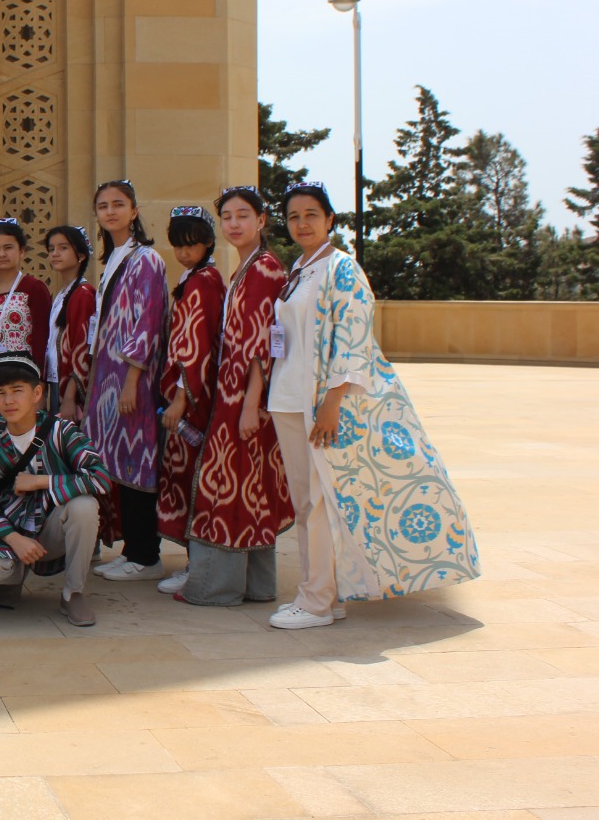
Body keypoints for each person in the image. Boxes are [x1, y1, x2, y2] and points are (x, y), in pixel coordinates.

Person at [266, 182, 479, 629]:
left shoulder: (342, 269)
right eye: (294, 217)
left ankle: (317, 601)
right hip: (286, 397)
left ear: (329, 221)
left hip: (318, 403)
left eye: (311, 215)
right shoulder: (299, 270)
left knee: (322, 500)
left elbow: (354, 337)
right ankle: (323, 592)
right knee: (306, 502)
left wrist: (332, 402)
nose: (302, 223)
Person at [177, 187, 293, 608]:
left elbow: (264, 341)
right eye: (227, 217)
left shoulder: (263, 269)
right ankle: (256, 585)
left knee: (226, 484)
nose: (234, 224)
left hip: (244, 395)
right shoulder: (247, 268)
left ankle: (216, 587)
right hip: (236, 389)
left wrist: (249, 404)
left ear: (261, 221)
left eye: (243, 215)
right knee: (248, 484)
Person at [0, 351, 109, 626]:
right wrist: (11, 537)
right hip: (6, 533)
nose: (9, 401)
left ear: (37, 393)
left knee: (84, 506)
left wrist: (42, 481)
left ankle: (73, 593)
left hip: (48, 533)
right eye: (1, 393)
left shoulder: (61, 431)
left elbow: (100, 477)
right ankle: (13, 578)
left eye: (17, 391)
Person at [85, 180, 171, 583]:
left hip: (130, 377)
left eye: (119, 204)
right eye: (103, 206)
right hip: (108, 376)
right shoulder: (114, 260)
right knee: (119, 463)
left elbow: (148, 319)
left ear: (135, 211)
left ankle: (146, 555)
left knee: (138, 461)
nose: (111, 211)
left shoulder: (146, 260)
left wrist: (133, 379)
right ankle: (132, 548)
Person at [153, 207, 225, 597]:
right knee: (184, 476)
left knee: (194, 478)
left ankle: (198, 565)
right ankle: (193, 561)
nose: (184, 251)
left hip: (195, 398)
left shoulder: (203, 282)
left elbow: (194, 348)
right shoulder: (195, 277)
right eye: (179, 244)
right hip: (191, 394)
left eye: (191, 244)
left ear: (207, 243)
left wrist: (181, 397)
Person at [0, 220, 54, 426]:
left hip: (24, 375)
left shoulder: (34, 288)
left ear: (21, 251)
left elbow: (42, 338)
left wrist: (40, 383)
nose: (2, 254)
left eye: (8, 247)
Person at [44, 226, 94, 421]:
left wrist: (70, 397)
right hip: (56, 381)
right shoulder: (62, 294)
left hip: (70, 387)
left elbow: (81, 347)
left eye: (63, 248)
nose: (55, 254)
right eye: (51, 249)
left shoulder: (83, 294)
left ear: (80, 255)